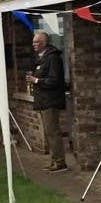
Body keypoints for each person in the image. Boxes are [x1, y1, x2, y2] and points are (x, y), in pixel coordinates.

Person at [26, 30, 68, 172]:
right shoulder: (42, 57)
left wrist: (36, 80)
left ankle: (60, 162)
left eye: (36, 42)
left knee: (53, 132)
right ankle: (54, 160)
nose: (34, 45)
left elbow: (54, 80)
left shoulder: (53, 58)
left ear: (44, 43)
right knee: (48, 132)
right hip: (43, 100)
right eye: (33, 42)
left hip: (51, 101)